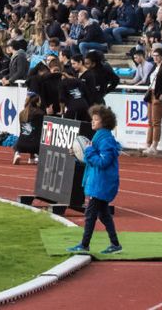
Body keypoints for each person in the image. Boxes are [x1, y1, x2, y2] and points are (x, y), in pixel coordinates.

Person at [67, 105, 123, 255]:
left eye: (96, 119)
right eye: (93, 118)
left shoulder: (106, 140)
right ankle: (115, 244)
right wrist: (79, 155)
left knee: (90, 214)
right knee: (103, 214)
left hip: (102, 183)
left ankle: (84, 245)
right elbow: (93, 161)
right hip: (100, 182)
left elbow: (103, 162)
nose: (92, 122)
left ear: (104, 122)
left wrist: (89, 151)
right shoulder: (100, 137)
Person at [143, 44, 162, 155]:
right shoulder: (154, 67)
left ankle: (154, 145)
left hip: (158, 94)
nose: (155, 57)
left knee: (156, 122)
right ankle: (148, 144)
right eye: (154, 55)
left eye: (157, 56)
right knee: (150, 121)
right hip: (152, 94)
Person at [13, 94, 45, 165]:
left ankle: (17, 153)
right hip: (35, 146)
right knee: (35, 135)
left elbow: (22, 130)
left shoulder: (22, 113)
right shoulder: (40, 113)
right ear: (37, 103)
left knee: (26, 135)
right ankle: (33, 157)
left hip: (21, 144)